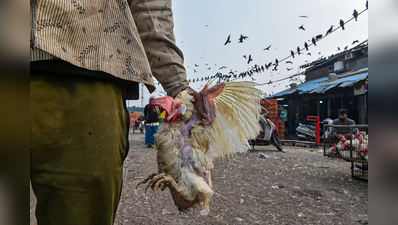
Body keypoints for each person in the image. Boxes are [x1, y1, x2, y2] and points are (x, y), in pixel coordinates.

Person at [30, 1, 207, 224]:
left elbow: (149, 7)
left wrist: (178, 85)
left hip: (84, 69)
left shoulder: (150, 109)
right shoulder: (149, 108)